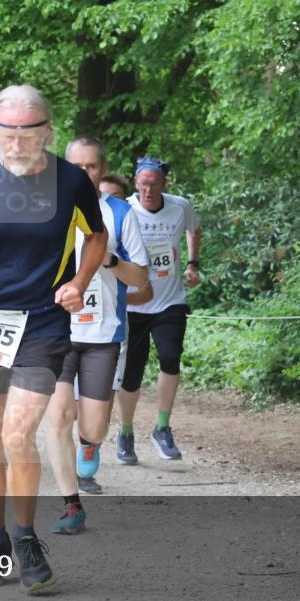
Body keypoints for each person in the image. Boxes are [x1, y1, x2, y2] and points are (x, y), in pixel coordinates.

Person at [0, 85, 107, 593]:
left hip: (42, 322)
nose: (14, 143)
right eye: (5, 132)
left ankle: (26, 537)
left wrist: (77, 282)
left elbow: (95, 236)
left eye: (25, 134)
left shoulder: (72, 181)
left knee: (16, 435)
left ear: (46, 132)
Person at [45, 136, 151, 534]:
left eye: (91, 167)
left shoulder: (122, 214)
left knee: (93, 426)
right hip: (55, 329)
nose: (83, 173)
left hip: (103, 333)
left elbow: (140, 279)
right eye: (76, 166)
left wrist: (107, 258)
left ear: (101, 169)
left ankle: (89, 442)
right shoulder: (47, 211)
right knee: (58, 416)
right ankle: (72, 506)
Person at [114, 156, 201, 463]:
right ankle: (125, 433)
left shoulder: (180, 206)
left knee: (170, 356)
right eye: (143, 184)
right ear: (135, 183)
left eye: (154, 184)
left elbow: (194, 230)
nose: (148, 191)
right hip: (135, 304)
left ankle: (162, 428)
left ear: (164, 184)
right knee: (132, 373)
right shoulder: (123, 209)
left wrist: (191, 263)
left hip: (170, 300)